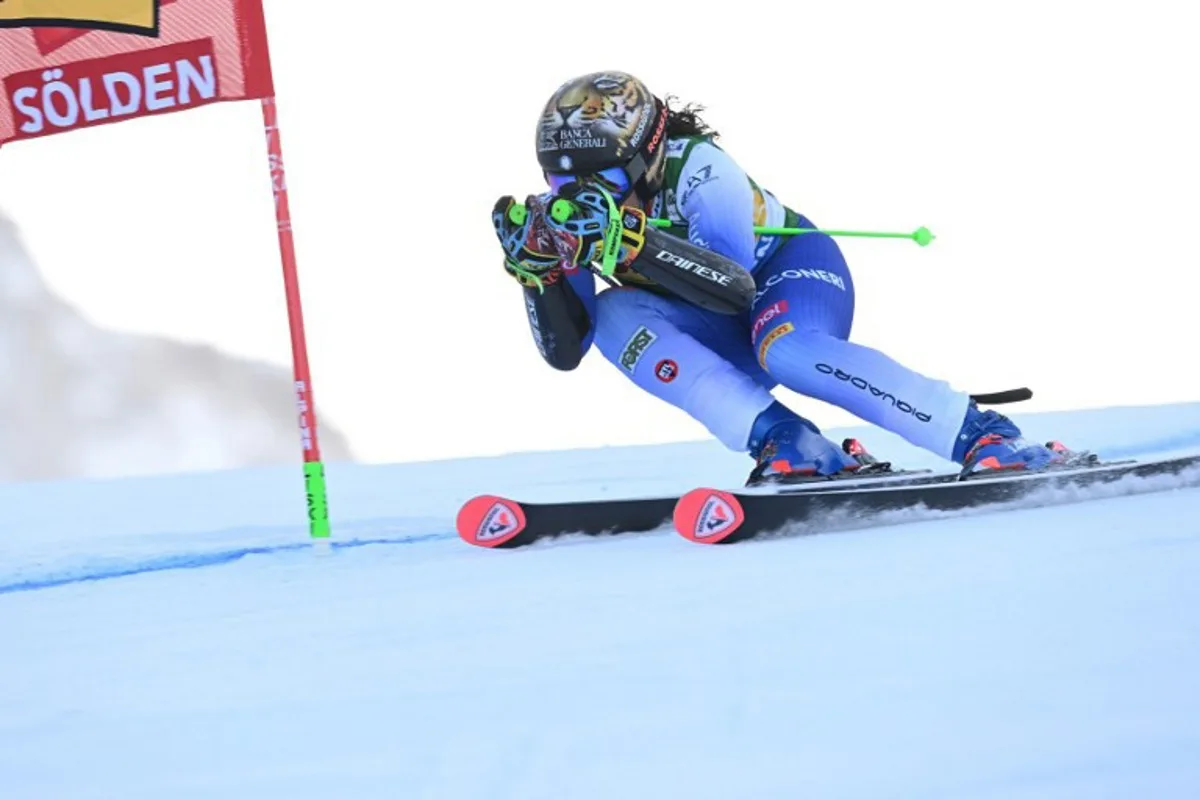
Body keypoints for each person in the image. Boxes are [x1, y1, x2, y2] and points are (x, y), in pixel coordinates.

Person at [492, 70, 1074, 483]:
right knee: (618, 317)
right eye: (560, 185)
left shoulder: (700, 168)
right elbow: (570, 351)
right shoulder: (573, 217)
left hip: (786, 276)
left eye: (603, 181)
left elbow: (734, 288)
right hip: (708, 311)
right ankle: (791, 441)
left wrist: (634, 247)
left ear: (645, 157)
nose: (580, 198)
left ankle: (981, 433)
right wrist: (539, 276)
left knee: (786, 351)